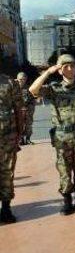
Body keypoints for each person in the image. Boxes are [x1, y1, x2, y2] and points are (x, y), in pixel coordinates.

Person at [29, 54, 75, 215]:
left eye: (72, 66)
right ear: (59, 70)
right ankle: (67, 201)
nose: (70, 69)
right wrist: (47, 72)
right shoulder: (54, 89)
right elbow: (33, 90)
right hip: (62, 137)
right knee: (64, 169)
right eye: (65, 66)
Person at [0, 71, 23, 223]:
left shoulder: (9, 82)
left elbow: (18, 109)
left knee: (7, 173)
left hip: (8, 136)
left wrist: (19, 133)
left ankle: (6, 208)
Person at [16, 72, 35, 145]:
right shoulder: (13, 88)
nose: (22, 81)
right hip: (18, 110)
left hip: (28, 110)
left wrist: (29, 108)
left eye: (24, 79)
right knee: (19, 125)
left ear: (26, 79)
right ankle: (20, 140)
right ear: (17, 79)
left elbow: (33, 100)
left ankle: (28, 139)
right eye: (20, 79)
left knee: (28, 125)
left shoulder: (30, 88)